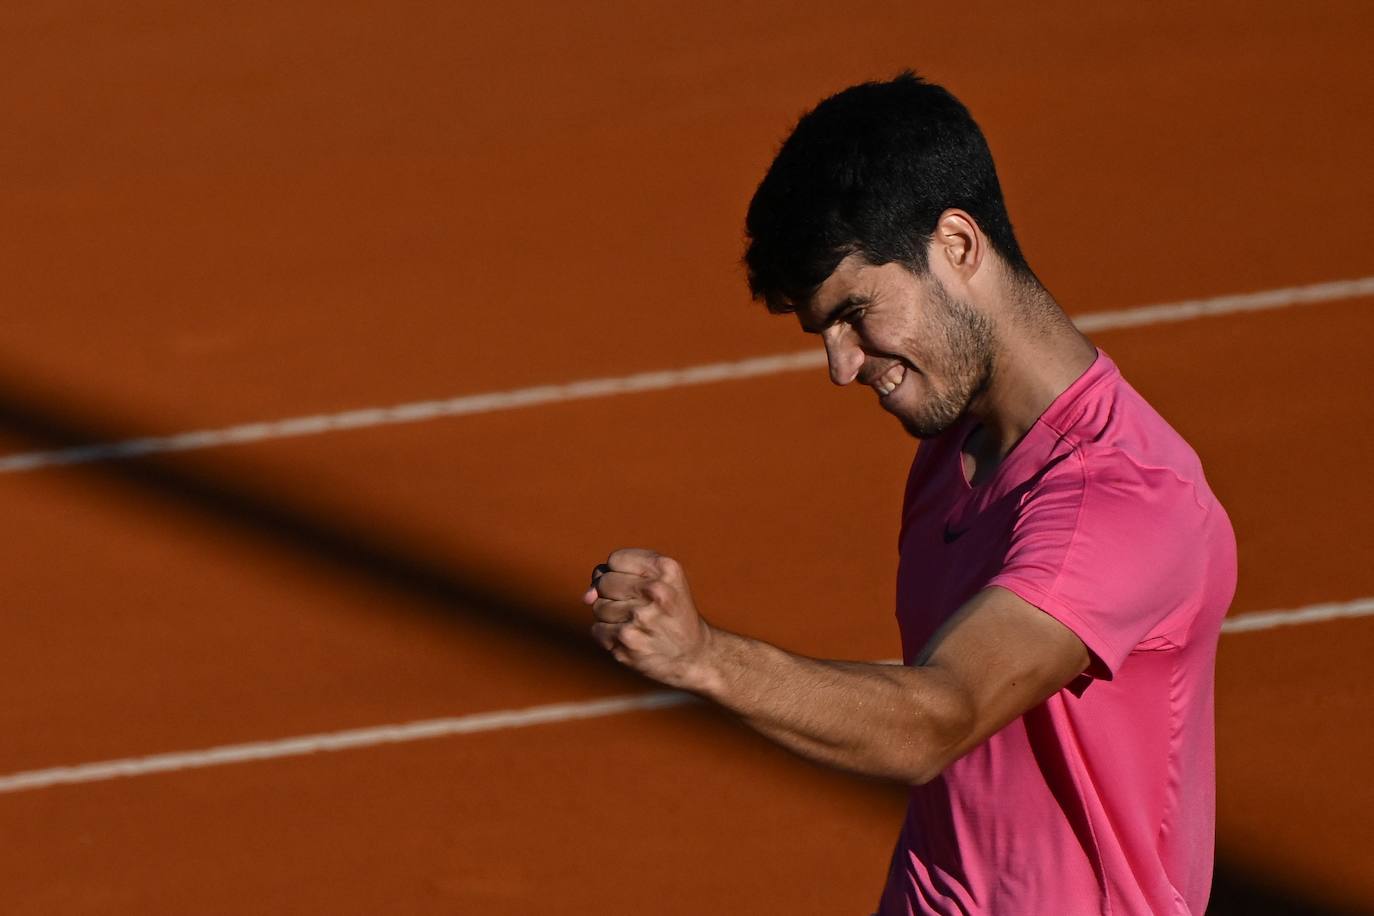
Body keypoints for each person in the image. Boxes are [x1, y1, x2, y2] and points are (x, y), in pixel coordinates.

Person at [583, 72, 1236, 915]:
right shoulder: (954, 445)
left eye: (856, 314)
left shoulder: (1122, 501)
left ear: (958, 246)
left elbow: (937, 717)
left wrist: (705, 656)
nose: (842, 366)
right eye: (825, 333)